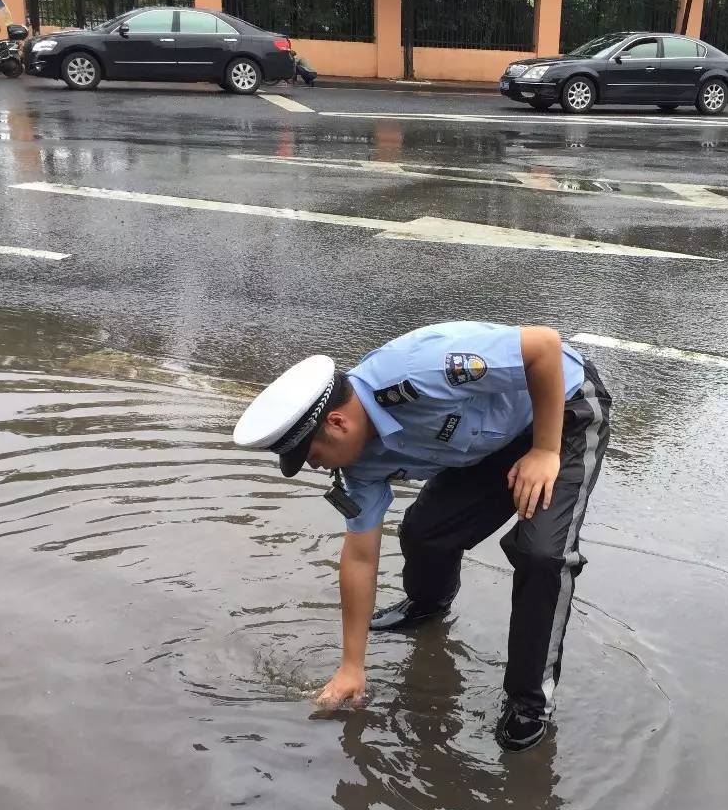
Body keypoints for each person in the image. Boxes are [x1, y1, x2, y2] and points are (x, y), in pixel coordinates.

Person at [233, 322, 611, 752]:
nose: (317, 467)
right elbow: (359, 556)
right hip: (491, 446)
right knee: (424, 532)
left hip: (561, 410)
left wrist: (544, 450)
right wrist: (352, 667)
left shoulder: (422, 371)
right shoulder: (358, 465)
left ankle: (530, 703)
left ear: (337, 423)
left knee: (540, 554)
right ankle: (428, 606)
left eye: (313, 456)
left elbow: (543, 346)